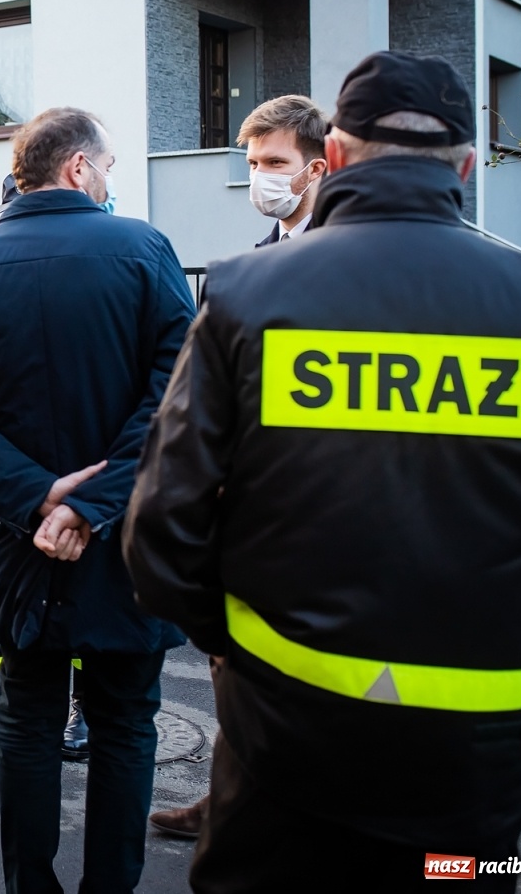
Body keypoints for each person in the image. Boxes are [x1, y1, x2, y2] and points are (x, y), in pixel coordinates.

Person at [123, 50, 521, 893]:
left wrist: (235, 654)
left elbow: (161, 526)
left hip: (286, 737)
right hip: (477, 755)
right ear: (467, 166)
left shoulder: (246, 295)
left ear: (331, 157)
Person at [0, 108, 196, 893]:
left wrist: (35, 498)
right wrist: (88, 501)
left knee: (27, 718)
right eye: (107, 165)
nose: (110, 180)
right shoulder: (142, 248)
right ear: (78, 170)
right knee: (127, 723)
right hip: (128, 532)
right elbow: (178, 390)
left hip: (14, 536)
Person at [146, 93, 330, 840]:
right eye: (253, 163)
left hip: (313, 498)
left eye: (275, 164)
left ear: (319, 167)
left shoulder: (337, 256)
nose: (262, 178)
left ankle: (288, 811)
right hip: (252, 499)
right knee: (240, 668)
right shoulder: (260, 257)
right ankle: (233, 798)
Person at [0, 173, 95, 766]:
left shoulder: (106, 266)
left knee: (75, 603)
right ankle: (11, 706)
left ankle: (79, 712)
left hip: (80, 481)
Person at [245, 94, 329, 247]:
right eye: (253, 163)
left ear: (315, 169)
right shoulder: (263, 252)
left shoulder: (350, 249)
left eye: (275, 162)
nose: (258, 175)